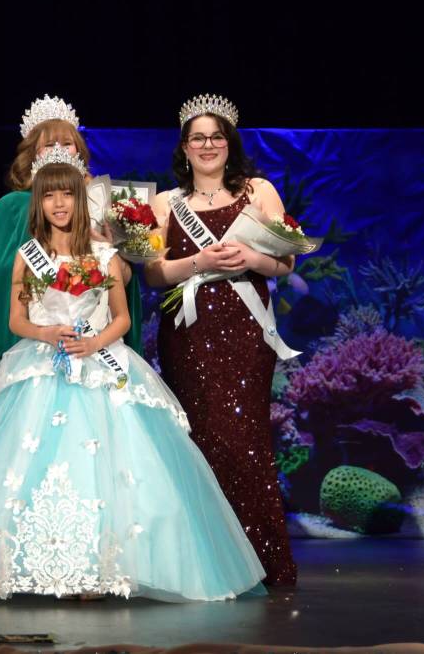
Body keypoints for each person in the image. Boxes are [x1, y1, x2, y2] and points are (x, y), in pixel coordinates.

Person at [0, 147, 265, 602]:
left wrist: (95, 342)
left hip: (99, 360)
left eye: (66, 195)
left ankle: (101, 568)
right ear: (38, 203)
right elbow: (16, 320)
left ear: (80, 199)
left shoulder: (104, 254)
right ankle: (44, 565)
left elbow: (122, 318)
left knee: (105, 465)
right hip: (42, 362)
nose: (58, 204)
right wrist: (46, 332)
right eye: (49, 195)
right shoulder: (27, 255)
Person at [144, 94, 298, 585]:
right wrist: (200, 263)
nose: (207, 145)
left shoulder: (259, 191)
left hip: (246, 332)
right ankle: (211, 565)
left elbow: (286, 263)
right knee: (201, 439)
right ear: (184, 148)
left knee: (246, 439)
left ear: (228, 144)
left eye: (216, 137)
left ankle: (263, 559)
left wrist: (253, 261)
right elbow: (152, 275)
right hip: (188, 334)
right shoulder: (165, 204)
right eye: (198, 138)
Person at [0, 95, 141, 398]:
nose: (57, 151)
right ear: (32, 153)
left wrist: (110, 253)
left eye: (66, 144)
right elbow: (6, 290)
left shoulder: (105, 206)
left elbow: (122, 293)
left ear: (78, 150)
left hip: (95, 343)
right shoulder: (14, 207)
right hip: (39, 348)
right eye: (47, 145)